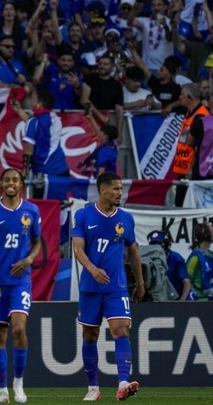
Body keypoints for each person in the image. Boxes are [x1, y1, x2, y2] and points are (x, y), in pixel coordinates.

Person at [71, 172, 145, 402]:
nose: (119, 193)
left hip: (116, 287)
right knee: (90, 334)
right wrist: (92, 269)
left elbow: (133, 250)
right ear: (103, 190)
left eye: (121, 189)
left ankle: (123, 383)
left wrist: (140, 282)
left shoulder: (126, 218)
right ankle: (93, 388)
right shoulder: (83, 215)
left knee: (121, 328)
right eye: (115, 189)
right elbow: (78, 249)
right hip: (90, 288)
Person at [0, 168, 42, 404]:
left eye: (15, 180)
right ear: (1, 183)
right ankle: (2, 391)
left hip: (20, 282)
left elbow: (37, 242)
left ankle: (18, 383)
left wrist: (29, 259)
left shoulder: (31, 210)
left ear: (21, 184)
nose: (11, 183)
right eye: (7, 179)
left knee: (18, 328)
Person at [172, 83, 209, 206]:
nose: (179, 97)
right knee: (179, 202)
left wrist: (190, 169)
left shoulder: (201, 117)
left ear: (189, 97)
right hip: (183, 167)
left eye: (182, 94)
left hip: (192, 170)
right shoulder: (189, 113)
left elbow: (202, 147)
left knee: (186, 204)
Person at [147, 230, 194, 301]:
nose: (156, 248)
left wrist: (181, 302)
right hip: (161, 300)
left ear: (166, 244)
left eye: (159, 245)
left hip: (178, 299)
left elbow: (187, 283)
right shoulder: (150, 260)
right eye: (153, 245)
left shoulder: (175, 258)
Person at [186, 222, 213, 301]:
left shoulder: (210, 255)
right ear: (206, 235)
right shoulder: (195, 258)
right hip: (200, 302)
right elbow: (188, 280)